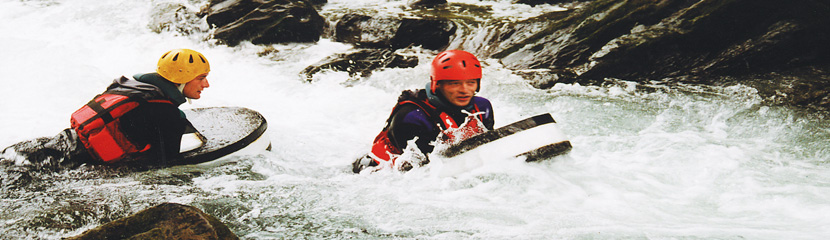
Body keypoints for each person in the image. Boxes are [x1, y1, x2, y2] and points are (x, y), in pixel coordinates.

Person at [0, 48, 211, 171]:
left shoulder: (130, 85)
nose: (206, 85)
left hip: (60, 143)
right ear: (181, 80)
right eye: (201, 78)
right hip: (75, 164)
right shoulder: (167, 115)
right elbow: (163, 167)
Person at [353, 50, 495, 173]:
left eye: (470, 82)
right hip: (377, 171)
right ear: (437, 84)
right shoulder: (411, 117)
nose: (464, 90)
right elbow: (419, 172)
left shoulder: (482, 108)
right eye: (454, 83)